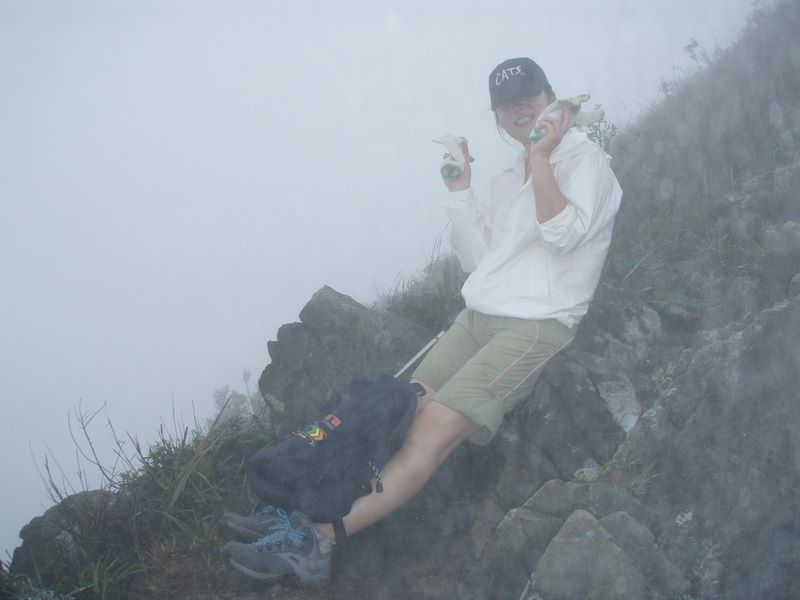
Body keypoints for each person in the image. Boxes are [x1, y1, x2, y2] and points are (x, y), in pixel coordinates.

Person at [220, 56, 622, 586]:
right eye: (506, 104)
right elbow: (480, 260)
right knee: (392, 413)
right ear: (497, 115)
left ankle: (317, 540)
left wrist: (543, 157)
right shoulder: (508, 179)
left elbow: (564, 236)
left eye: (528, 96)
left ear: (551, 98)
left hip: (534, 326)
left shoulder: (587, 162)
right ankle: (301, 512)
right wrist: (461, 189)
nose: (519, 109)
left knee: (430, 432)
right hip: (479, 318)